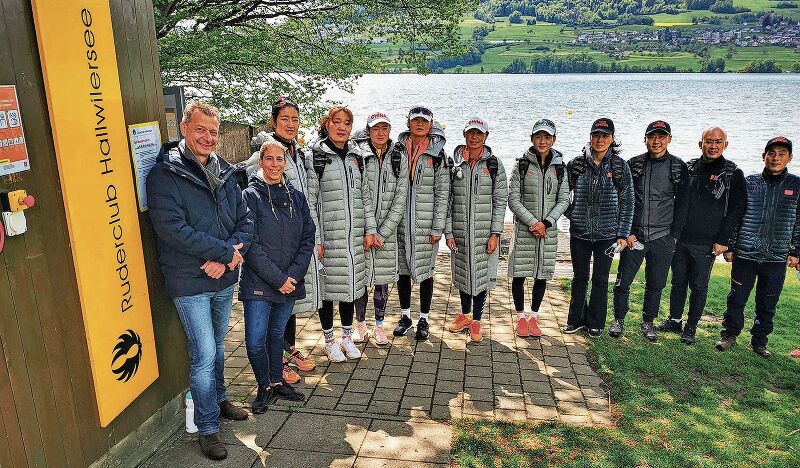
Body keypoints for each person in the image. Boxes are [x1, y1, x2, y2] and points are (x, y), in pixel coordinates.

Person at [146, 101, 252, 461]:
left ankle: (219, 400)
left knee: (220, 347)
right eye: (200, 130)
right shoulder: (164, 174)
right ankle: (207, 428)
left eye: (213, 131)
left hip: (222, 276)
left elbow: (245, 220)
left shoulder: (225, 170)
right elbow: (172, 229)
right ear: (184, 129)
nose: (208, 137)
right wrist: (225, 253)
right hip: (189, 280)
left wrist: (228, 257)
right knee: (204, 353)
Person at [240, 140, 315, 413]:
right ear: (260, 162)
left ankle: (276, 381)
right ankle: (263, 386)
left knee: (276, 335)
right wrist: (278, 279)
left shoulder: (296, 196)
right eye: (268, 159)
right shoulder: (250, 196)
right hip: (260, 283)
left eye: (279, 159)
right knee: (255, 339)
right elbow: (251, 245)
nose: (274, 164)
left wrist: (293, 275)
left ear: (286, 163)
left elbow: (308, 236)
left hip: (289, 282)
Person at [246, 98, 318, 384]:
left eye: (295, 119)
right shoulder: (260, 162)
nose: (290, 124)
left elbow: (308, 208)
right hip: (267, 264)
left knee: (285, 316)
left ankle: (285, 356)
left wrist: (298, 264)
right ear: (274, 122)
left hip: (293, 251)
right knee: (265, 328)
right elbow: (252, 221)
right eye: (284, 119)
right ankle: (276, 367)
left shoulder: (298, 154)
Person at [659, 127, 746, 344]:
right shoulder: (689, 168)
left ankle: (691, 327)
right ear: (701, 144)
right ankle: (675, 320)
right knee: (678, 281)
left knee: (698, 286)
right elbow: (676, 201)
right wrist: (673, 234)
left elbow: (736, 210)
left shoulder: (733, 173)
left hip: (708, 243)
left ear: (725, 144)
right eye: (708, 141)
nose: (713, 146)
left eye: (718, 142)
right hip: (681, 238)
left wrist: (724, 241)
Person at [717, 137, 800, 357]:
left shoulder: (796, 185)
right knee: (736, 297)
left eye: (782, 153)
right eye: (771, 153)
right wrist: (730, 246)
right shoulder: (748, 182)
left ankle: (760, 341)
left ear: (789, 158)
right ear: (763, 156)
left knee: (767, 302)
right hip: (746, 253)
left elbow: (799, 220)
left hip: (777, 256)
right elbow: (735, 215)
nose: (776, 158)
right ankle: (729, 335)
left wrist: (795, 250)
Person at [307, 106, 377, 362]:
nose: (342, 127)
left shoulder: (356, 157)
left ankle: (347, 338)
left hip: (355, 236)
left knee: (350, 287)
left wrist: (370, 229)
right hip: (329, 236)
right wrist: (315, 239)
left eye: (347, 123)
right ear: (327, 124)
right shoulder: (316, 156)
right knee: (327, 290)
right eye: (337, 122)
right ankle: (329, 340)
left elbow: (365, 197)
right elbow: (310, 201)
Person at [611, 120, 689, 341]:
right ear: (644, 139)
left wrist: (674, 236)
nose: (656, 141)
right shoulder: (633, 164)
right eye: (652, 137)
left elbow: (683, 203)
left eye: (661, 137)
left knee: (656, 283)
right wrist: (627, 231)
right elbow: (623, 200)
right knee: (623, 281)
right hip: (635, 236)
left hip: (663, 236)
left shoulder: (677, 166)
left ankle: (648, 322)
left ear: (669, 139)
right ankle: (619, 319)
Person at [564, 118, 634, 338]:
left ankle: (596, 322)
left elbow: (628, 201)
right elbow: (562, 196)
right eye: (596, 135)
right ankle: (575, 320)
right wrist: (573, 215)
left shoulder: (619, 166)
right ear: (590, 137)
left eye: (605, 136)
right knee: (580, 277)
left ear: (612, 139)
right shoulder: (576, 164)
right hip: (580, 233)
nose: (600, 140)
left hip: (608, 235)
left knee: (601, 279)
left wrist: (622, 233)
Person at [445, 117, 508, 342]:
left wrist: (495, 234)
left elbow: (500, 201)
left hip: (484, 232)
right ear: (464, 135)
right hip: (460, 232)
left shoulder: (493, 164)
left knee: (481, 276)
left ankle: (477, 321)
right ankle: (464, 316)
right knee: (463, 275)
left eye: (479, 134)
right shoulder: (454, 163)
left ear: (486, 137)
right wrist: (449, 232)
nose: (474, 137)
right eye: (471, 133)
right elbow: (447, 199)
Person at [507, 119, 570, 338]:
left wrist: (547, 222)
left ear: (554, 139)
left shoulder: (561, 168)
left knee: (541, 274)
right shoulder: (521, 165)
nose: (542, 141)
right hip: (525, 229)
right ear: (532, 138)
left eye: (547, 137)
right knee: (519, 273)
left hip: (548, 231)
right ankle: (521, 317)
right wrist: (533, 222)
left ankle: (534, 316)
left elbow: (564, 200)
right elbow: (513, 199)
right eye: (538, 136)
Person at [393, 106, 450, 341]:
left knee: (425, 272)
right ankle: (405, 316)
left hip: (426, 224)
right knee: (402, 271)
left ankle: (424, 319)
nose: (419, 124)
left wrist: (438, 227)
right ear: (408, 122)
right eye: (415, 120)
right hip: (400, 223)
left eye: (424, 121)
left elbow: (443, 193)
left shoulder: (438, 155)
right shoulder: (396, 150)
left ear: (431, 124)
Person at [352, 112, 409, 345]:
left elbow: (400, 197)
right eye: (376, 128)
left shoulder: (398, 157)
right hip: (363, 230)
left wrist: (382, 232)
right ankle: (360, 324)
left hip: (387, 231)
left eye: (384, 128)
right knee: (361, 278)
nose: (380, 133)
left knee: (382, 280)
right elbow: (360, 193)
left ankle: (379, 325)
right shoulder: (359, 156)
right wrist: (369, 230)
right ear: (368, 130)